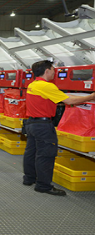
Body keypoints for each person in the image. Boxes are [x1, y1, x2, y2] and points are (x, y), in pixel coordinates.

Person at [23, 60, 95, 196]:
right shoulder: (47, 86)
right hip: (43, 126)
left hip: (32, 124)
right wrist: (91, 96)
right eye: (53, 69)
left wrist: (85, 98)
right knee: (46, 155)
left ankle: (29, 178)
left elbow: (65, 96)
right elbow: (69, 101)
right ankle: (43, 186)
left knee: (31, 152)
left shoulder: (34, 84)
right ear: (47, 71)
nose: (55, 72)